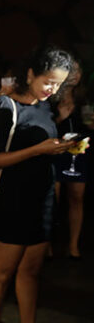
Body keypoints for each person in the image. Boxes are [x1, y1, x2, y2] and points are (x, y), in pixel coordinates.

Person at [0, 45, 73, 323]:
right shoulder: (5, 106)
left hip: (42, 201)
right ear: (30, 74)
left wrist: (61, 146)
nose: (52, 89)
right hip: (12, 201)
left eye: (58, 84)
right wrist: (38, 150)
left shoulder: (47, 108)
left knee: (31, 271)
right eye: (48, 81)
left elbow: (44, 149)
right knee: (1, 274)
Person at [52, 58, 89, 259]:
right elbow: (43, 128)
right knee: (53, 198)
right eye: (71, 69)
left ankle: (73, 245)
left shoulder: (85, 98)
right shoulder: (51, 95)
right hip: (56, 151)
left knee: (77, 197)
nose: (75, 74)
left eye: (78, 70)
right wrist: (60, 118)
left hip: (80, 152)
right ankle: (46, 243)